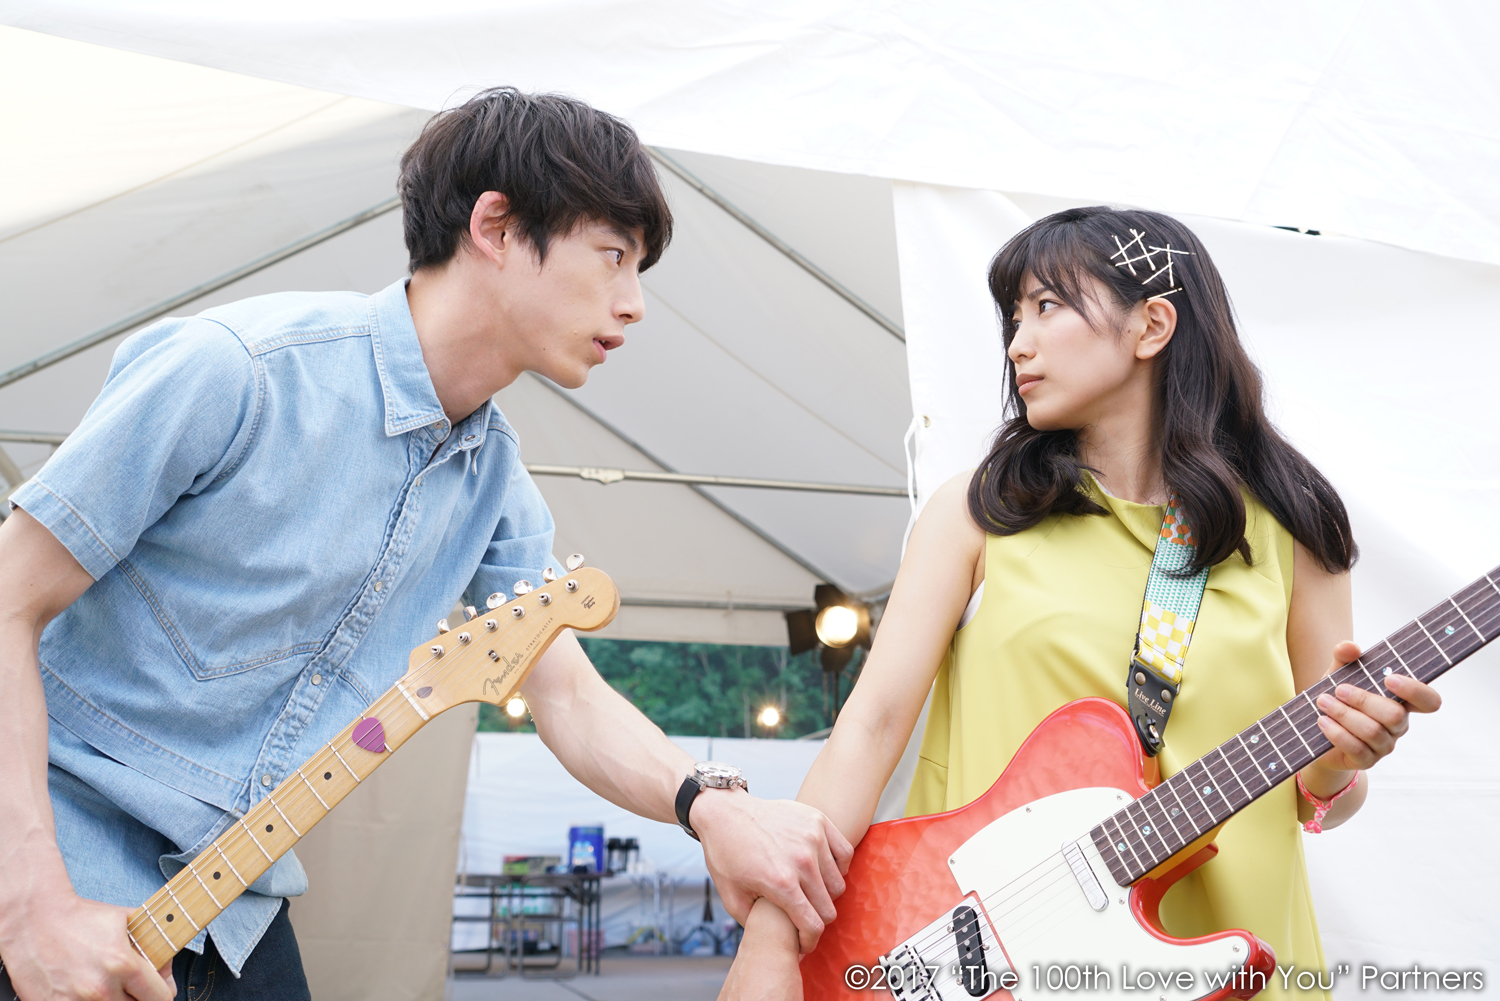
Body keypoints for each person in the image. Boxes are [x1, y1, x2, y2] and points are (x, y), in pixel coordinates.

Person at [0, 88, 851, 1001]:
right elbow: (8, 601)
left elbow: (566, 692)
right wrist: (30, 910)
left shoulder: (495, 484)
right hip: (53, 866)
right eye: (614, 255)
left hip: (235, 907)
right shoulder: (238, 369)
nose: (635, 304)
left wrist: (709, 804)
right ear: (496, 227)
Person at [718, 206, 1443, 1000]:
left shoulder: (1294, 527)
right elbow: (870, 728)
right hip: (994, 965)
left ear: (1152, 325)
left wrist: (1340, 764)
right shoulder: (979, 514)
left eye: (1047, 306)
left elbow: (1324, 797)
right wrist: (772, 934)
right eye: (1014, 316)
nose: (1017, 343)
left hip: (1237, 962)